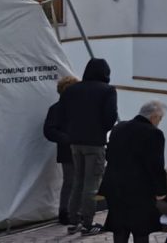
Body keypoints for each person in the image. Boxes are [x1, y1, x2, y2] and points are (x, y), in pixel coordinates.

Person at [61, 58, 118, 236]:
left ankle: (73, 221)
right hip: (95, 143)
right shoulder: (107, 91)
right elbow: (110, 118)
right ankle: (87, 223)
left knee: (77, 181)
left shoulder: (72, 90)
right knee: (91, 186)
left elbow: (64, 114)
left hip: (75, 143)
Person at [99, 101, 167, 242]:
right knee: (141, 229)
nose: (159, 122)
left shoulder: (119, 127)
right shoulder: (154, 133)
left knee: (119, 228)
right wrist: (160, 190)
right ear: (154, 116)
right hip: (139, 190)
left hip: (114, 186)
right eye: (160, 118)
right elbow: (156, 165)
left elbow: (109, 155)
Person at [43, 75, 79, 225]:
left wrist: (65, 139)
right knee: (75, 182)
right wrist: (69, 138)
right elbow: (49, 130)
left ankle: (66, 211)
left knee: (70, 182)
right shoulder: (80, 108)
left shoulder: (56, 108)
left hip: (66, 149)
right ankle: (70, 211)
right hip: (73, 148)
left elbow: (50, 130)